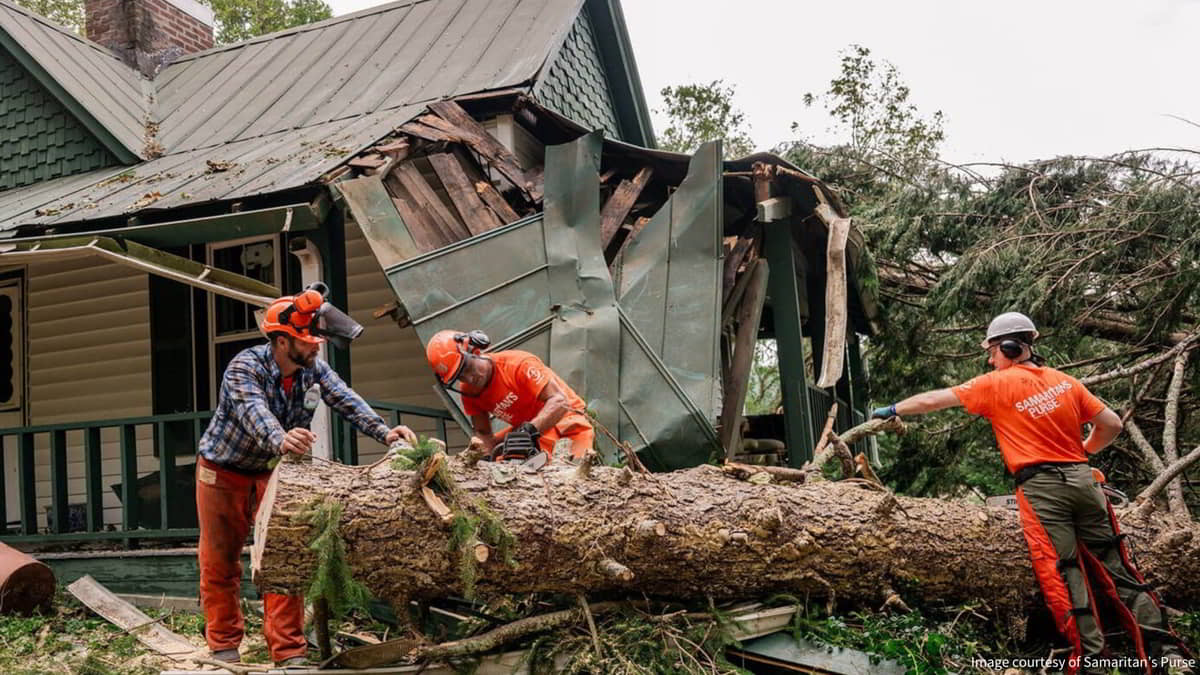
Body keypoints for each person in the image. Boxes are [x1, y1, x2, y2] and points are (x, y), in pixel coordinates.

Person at [871, 312, 1190, 675]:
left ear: (1006, 348)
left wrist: (893, 409)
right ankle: (1169, 655)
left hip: (1041, 488)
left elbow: (933, 400)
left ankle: (1093, 662)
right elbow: (1112, 424)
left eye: (992, 351)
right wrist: (1085, 448)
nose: (990, 359)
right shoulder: (1064, 382)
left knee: (1065, 570)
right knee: (1119, 568)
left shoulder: (994, 383)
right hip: (1084, 480)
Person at [196, 284, 416, 667]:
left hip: (275, 473)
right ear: (282, 341)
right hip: (222, 471)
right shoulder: (245, 366)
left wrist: (385, 432)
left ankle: (289, 652)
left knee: (285, 559)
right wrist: (281, 437)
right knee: (220, 560)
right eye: (306, 339)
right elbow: (254, 413)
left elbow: (345, 398)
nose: (316, 346)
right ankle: (224, 645)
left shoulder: (314, 368)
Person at [425, 329, 593, 460]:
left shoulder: (517, 364)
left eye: (467, 368)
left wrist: (529, 431)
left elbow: (560, 401)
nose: (469, 378)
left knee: (566, 471)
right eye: (460, 376)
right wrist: (483, 460)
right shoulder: (469, 392)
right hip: (528, 430)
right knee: (502, 462)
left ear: (475, 351)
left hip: (565, 420)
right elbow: (484, 434)